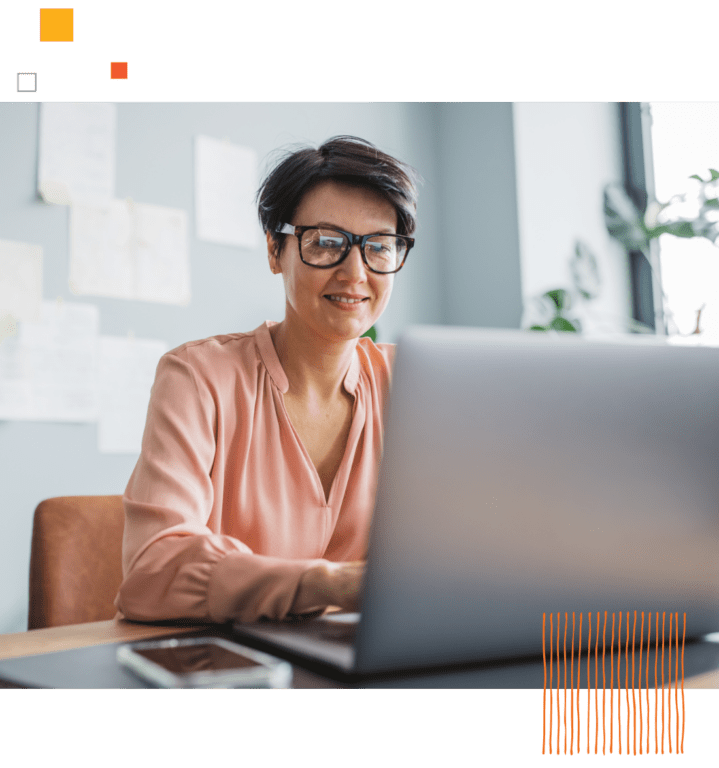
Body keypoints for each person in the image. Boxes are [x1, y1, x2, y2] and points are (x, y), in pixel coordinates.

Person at [115, 136, 419, 624]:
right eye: (326, 243)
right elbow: (154, 569)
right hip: (227, 670)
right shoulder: (197, 378)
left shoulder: (413, 386)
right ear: (276, 251)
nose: (356, 272)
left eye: (379, 248)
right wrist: (328, 584)